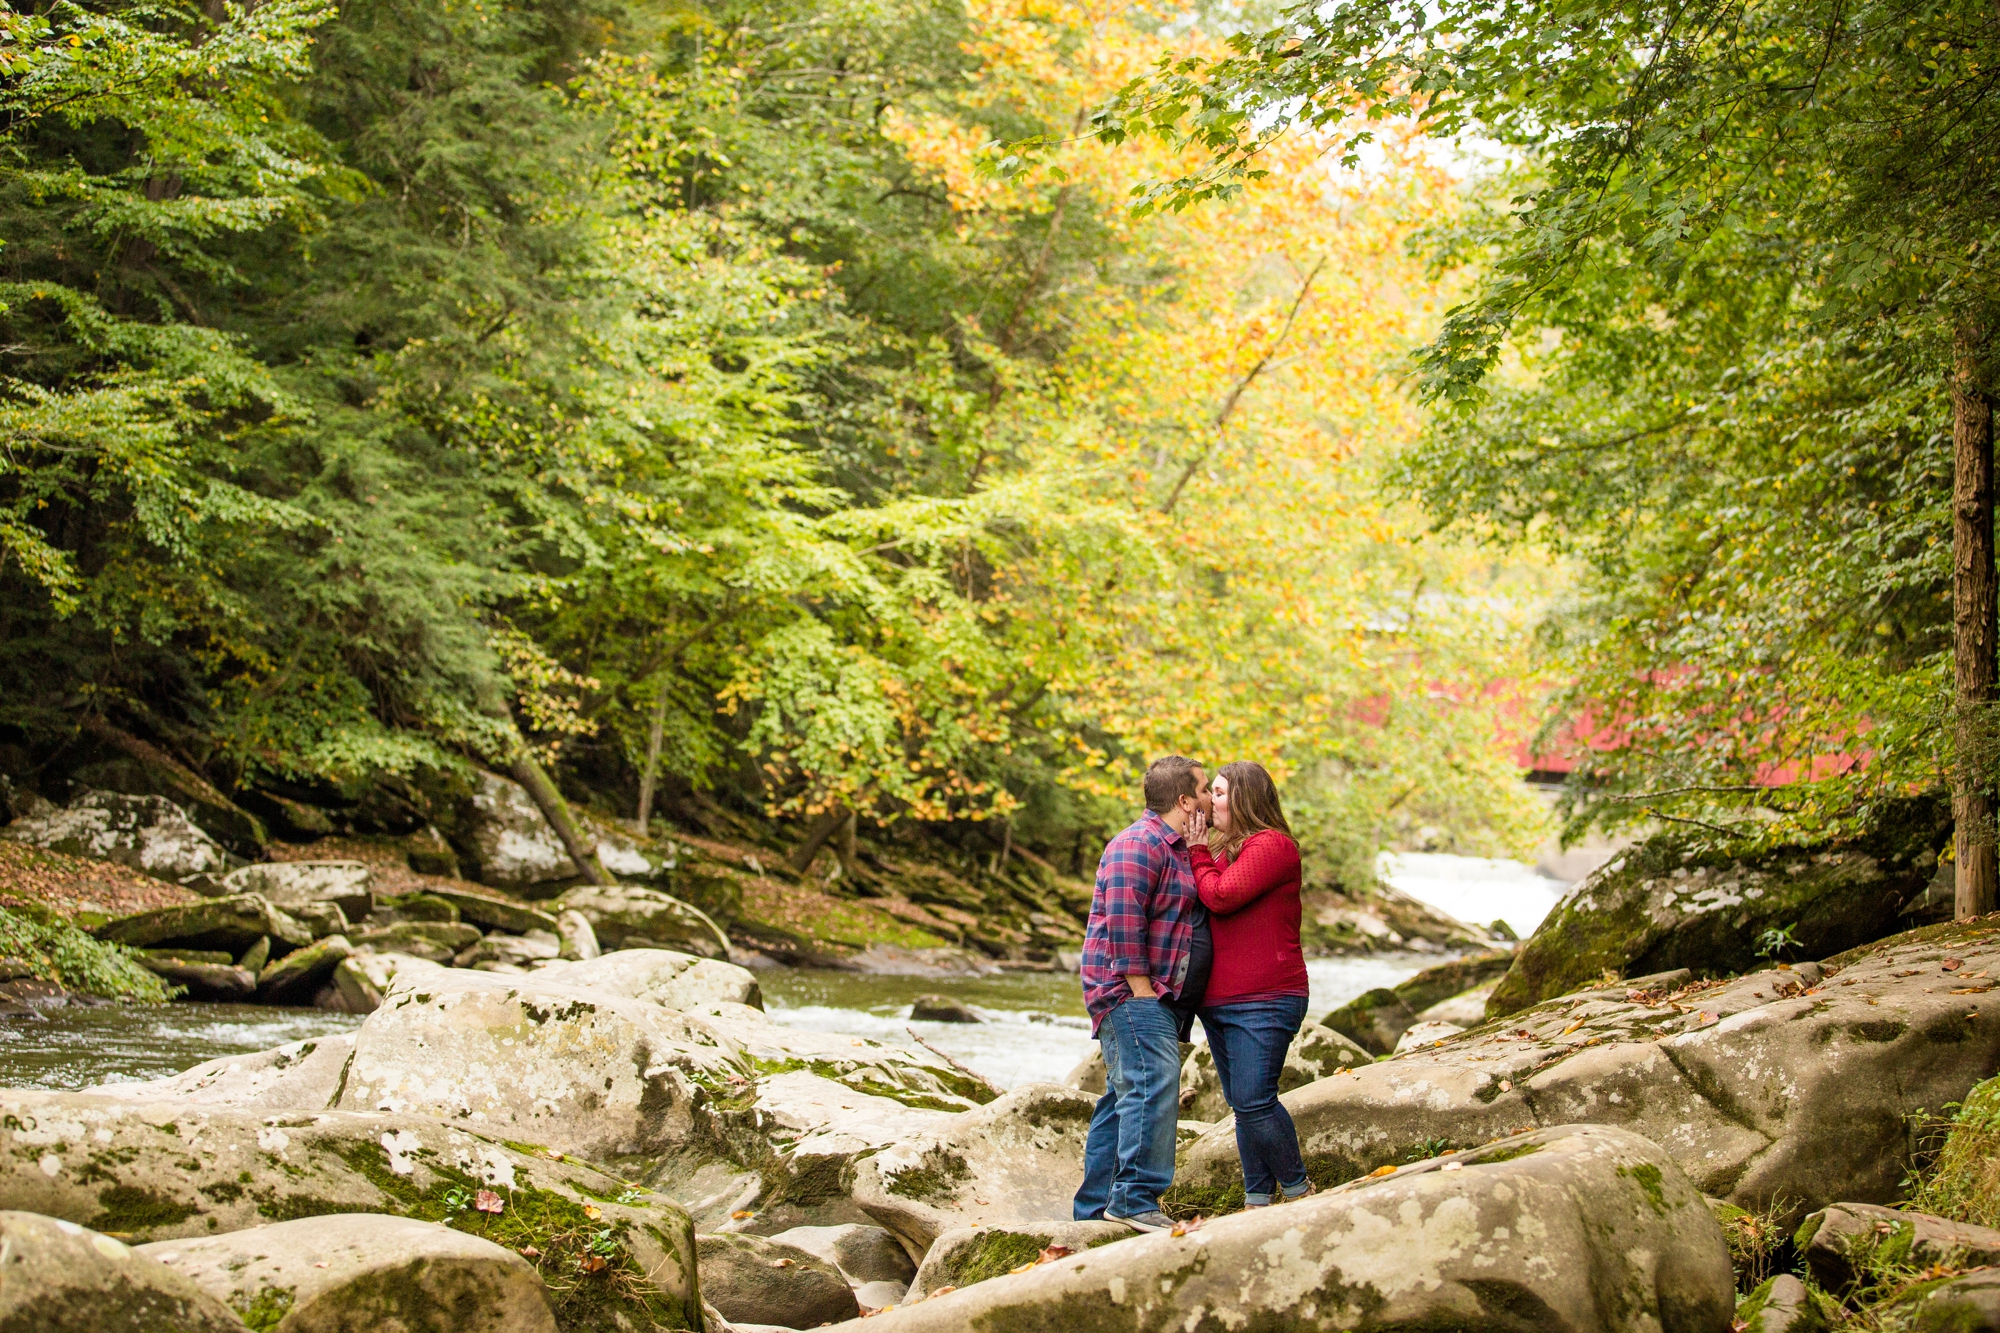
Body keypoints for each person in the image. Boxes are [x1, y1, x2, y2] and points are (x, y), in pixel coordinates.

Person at [1072, 755, 1207, 1232]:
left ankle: (1093, 1210)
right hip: (1129, 993)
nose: (1211, 798)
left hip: (1154, 995)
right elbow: (1125, 926)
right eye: (1205, 790)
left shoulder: (1176, 847)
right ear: (1184, 799)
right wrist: (1143, 993)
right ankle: (1133, 1198)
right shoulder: (1138, 843)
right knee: (1154, 1085)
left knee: (1123, 1095)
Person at [1187, 760, 1312, 1209]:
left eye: (1218, 793)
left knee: (1255, 1101)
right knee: (1244, 1106)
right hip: (1219, 1002)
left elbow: (1222, 896)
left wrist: (1198, 851)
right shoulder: (1221, 850)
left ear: (1244, 797)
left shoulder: (1273, 845)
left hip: (1267, 996)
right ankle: (1256, 1199)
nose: (1209, 801)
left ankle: (1299, 1192)